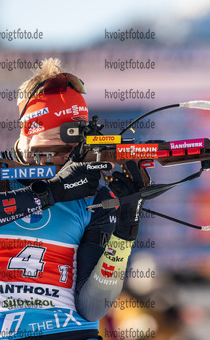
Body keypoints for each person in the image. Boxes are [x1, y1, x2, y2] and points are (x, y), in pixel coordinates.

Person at [0, 58, 144, 340]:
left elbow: (93, 307)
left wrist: (125, 230)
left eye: (75, 148)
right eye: (56, 146)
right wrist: (51, 191)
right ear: (29, 133)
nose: (67, 159)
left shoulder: (91, 196)